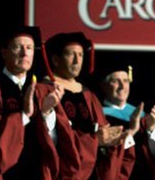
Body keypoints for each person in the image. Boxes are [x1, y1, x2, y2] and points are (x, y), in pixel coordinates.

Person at [0, 25, 77, 179]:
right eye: (18, 47)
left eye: (29, 48)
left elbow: (59, 143)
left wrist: (47, 113)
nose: (24, 53)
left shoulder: (44, 91)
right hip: (3, 173)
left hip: (37, 171)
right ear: (4, 53)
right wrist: (23, 116)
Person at [41, 32, 128, 180]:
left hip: (90, 170)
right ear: (56, 60)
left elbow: (102, 133)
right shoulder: (44, 90)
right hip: (58, 171)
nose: (77, 61)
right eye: (71, 54)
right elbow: (48, 138)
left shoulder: (88, 95)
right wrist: (95, 140)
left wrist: (114, 138)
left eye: (80, 55)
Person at [98, 58, 155, 180]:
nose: (122, 86)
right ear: (104, 85)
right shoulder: (99, 116)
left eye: (126, 80)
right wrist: (131, 131)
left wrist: (151, 128)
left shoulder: (141, 115)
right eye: (116, 81)